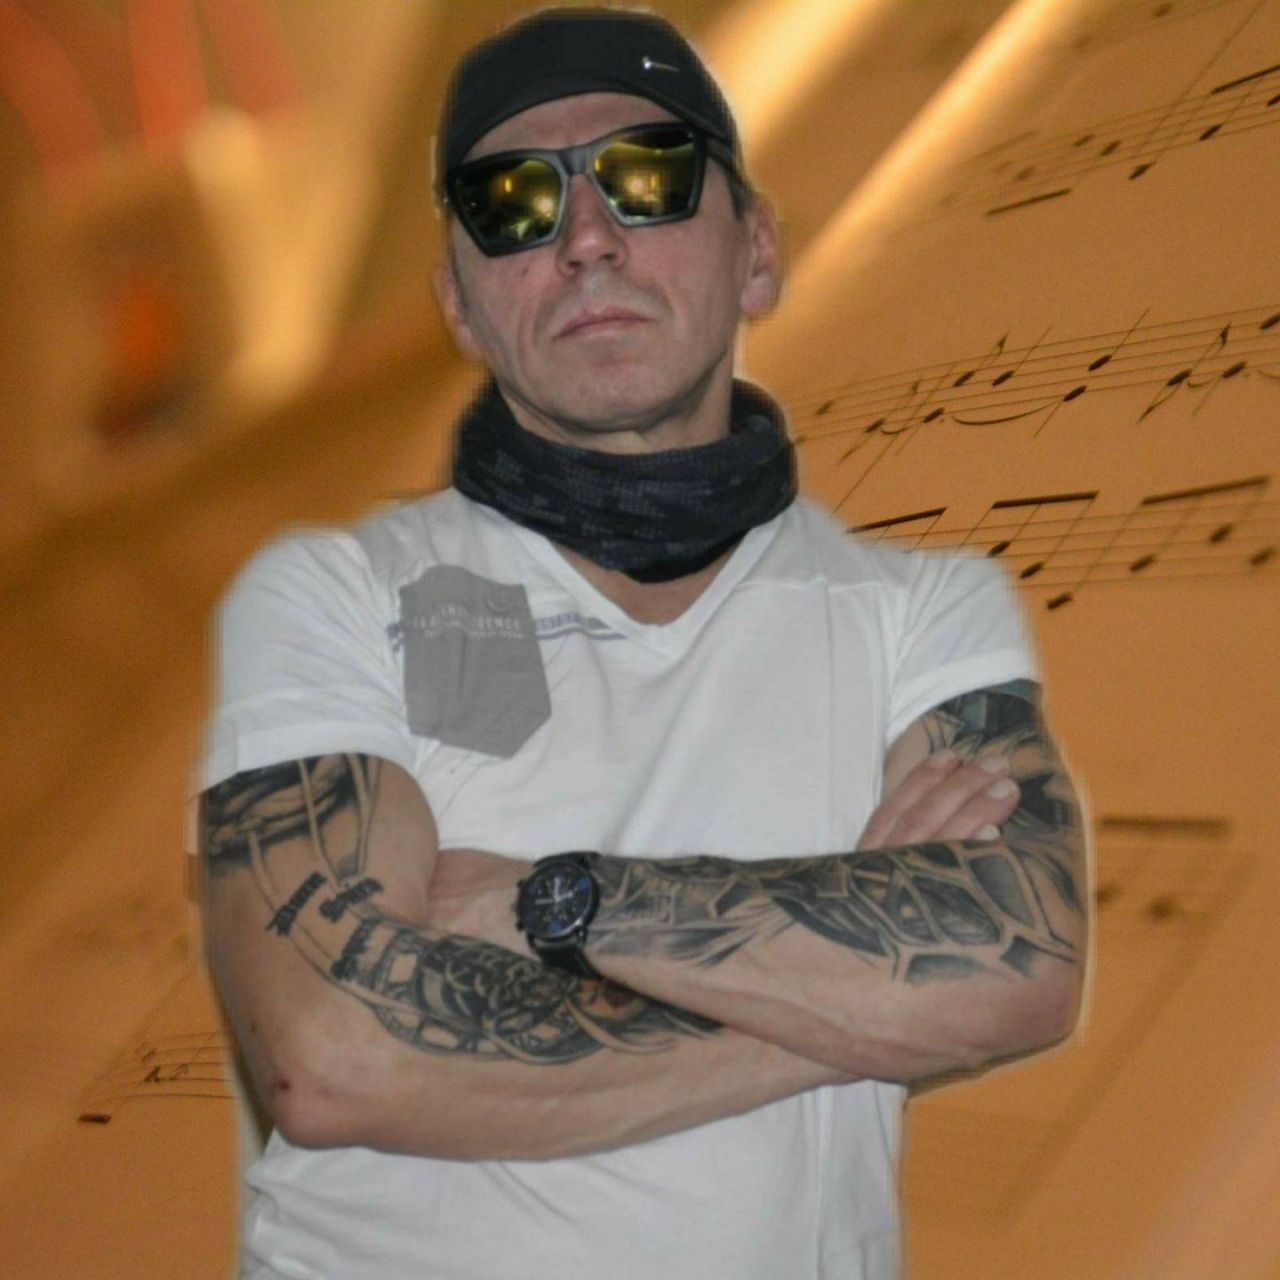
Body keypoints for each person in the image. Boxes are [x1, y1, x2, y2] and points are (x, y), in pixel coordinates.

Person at [198, 9, 1087, 1278]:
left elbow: (1021, 959)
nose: (585, 238)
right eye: (513, 203)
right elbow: (332, 1057)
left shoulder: (921, 613)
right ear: (458, 303)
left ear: (757, 250)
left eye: (647, 176)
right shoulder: (337, 595)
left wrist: (549, 899)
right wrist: (861, 995)